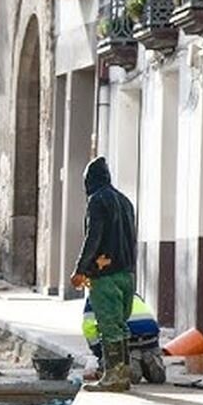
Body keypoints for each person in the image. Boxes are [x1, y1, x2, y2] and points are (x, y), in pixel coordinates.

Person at [71, 156, 138, 392]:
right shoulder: (125, 201)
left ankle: (113, 377)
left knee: (108, 325)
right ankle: (123, 374)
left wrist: (81, 269)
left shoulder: (98, 201)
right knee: (121, 324)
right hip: (127, 274)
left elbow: (94, 237)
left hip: (105, 274)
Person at [82, 293, 166, 384]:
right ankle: (150, 357)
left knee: (113, 367)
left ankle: (132, 364)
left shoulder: (94, 296)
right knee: (146, 355)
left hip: (128, 338)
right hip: (151, 335)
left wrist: (100, 352)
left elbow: (88, 328)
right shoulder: (132, 293)